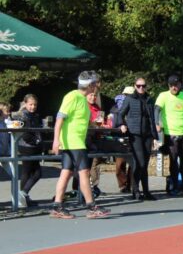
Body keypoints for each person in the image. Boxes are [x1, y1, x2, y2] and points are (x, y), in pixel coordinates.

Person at [50, 71, 110, 219]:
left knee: (66, 172)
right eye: (95, 84)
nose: (97, 86)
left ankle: (57, 207)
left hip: (75, 141)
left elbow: (81, 120)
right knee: (84, 172)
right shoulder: (72, 96)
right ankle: (91, 207)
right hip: (73, 141)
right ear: (90, 85)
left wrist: (95, 125)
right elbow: (59, 118)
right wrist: (56, 140)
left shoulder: (83, 99)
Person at [155, 74, 183, 195]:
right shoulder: (163, 96)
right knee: (173, 160)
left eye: (176, 85)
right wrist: (157, 123)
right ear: (169, 86)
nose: (174, 87)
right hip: (171, 134)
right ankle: (174, 185)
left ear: (180, 85)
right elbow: (156, 109)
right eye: (172, 85)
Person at [119, 78, 158, 200]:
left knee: (145, 164)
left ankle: (146, 191)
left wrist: (155, 136)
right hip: (135, 134)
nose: (141, 88)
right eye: (138, 85)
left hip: (147, 134)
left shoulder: (149, 99)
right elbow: (120, 114)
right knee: (139, 162)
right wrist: (122, 124)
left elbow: (152, 119)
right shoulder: (130, 99)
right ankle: (135, 190)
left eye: (143, 86)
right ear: (134, 86)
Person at [16, 94, 42, 207]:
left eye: (35, 105)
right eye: (31, 104)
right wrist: (36, 141)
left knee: (30, 172)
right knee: (33, 172)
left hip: (33, 147)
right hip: (26, 146)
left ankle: (23, 197)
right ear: (25, 104)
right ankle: (22, 195)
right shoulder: (23, 116)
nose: (33, 107)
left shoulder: (35, 115)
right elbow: (25, 134)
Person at [111, 86, 134, 193]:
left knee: (133, 163)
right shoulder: (115, 108)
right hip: (119, 137)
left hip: (133, 137)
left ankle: (132, 185)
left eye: (130, 95)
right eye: (126, 95)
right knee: (120, 164)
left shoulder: (135, 106)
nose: (128, 97)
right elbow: (112, 123)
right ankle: (123, 185)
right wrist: (120, 125)